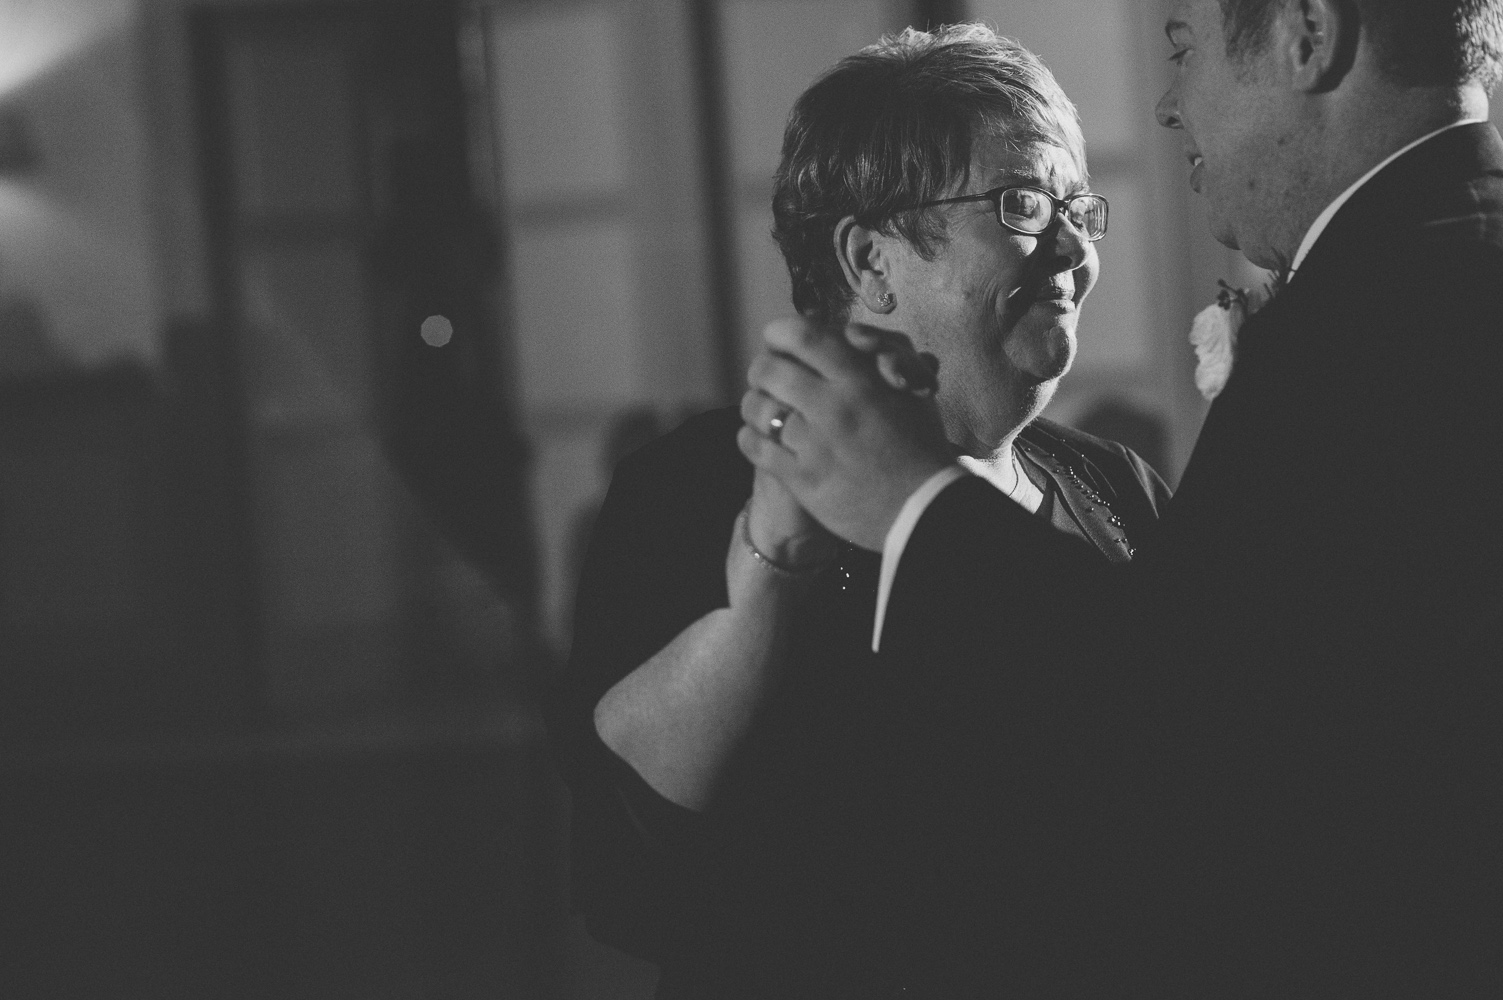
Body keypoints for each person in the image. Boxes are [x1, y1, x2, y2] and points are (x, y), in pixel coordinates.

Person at [741, 0, 1503, 994]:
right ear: (868, 258)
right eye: (1020, 204)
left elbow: (1205, 747)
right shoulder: (1417, 272)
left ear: (1308, 33)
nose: (1166, 102)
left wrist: (916, 506)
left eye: (1183, 45)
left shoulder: (1376, 325)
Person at [545, 24, 1172, 998]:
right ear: (871, 258)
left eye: (1078, 208)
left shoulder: (1114, 488)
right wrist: (768, 572)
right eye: (1022, 204)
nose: (1072, 245)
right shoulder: (696, 487)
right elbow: (626, 874)